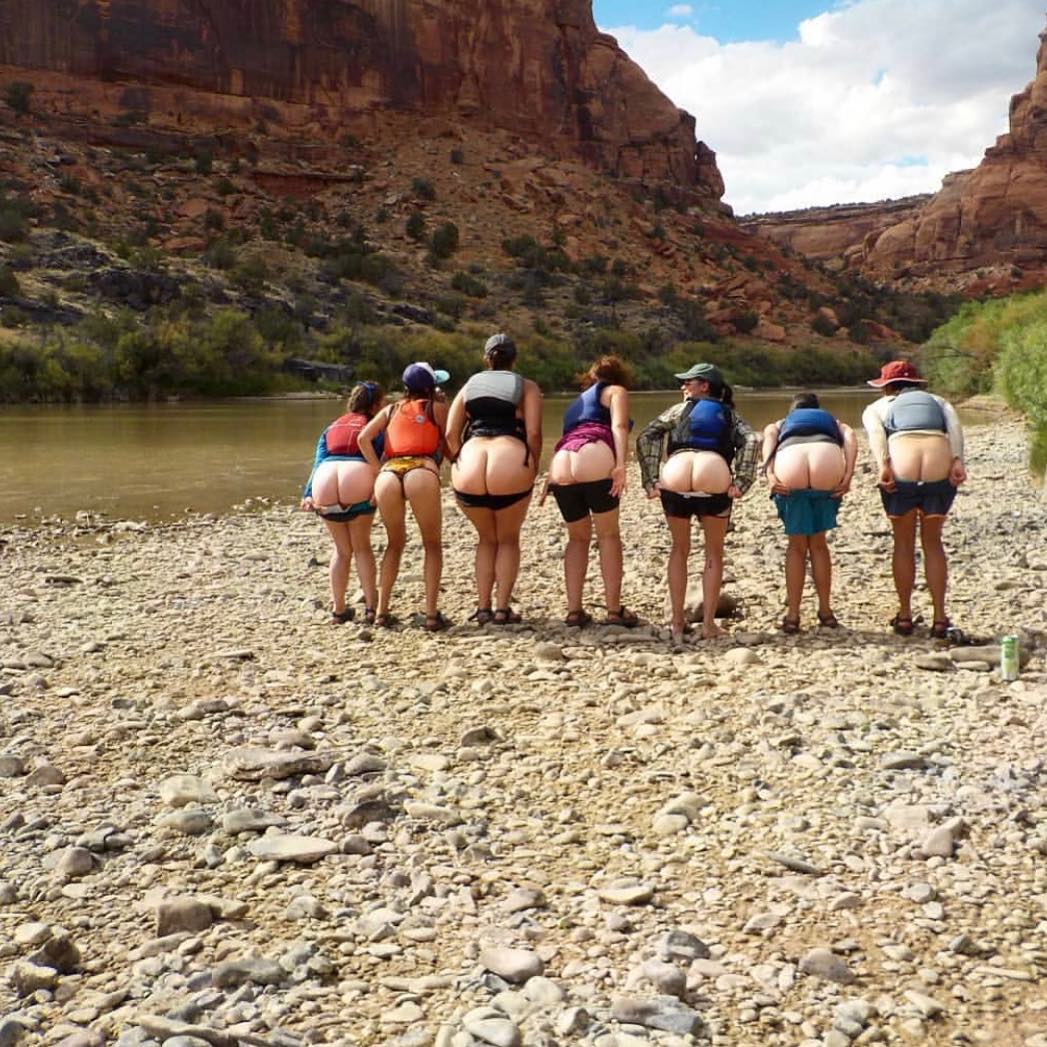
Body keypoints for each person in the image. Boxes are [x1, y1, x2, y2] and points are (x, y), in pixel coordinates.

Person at [637, 362, 760, 644]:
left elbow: (647, 435)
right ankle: (708, 625)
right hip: (713, 473)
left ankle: (677, 624)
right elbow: (752, 441)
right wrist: (742, 481)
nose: (683, 386)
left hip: (676, 475)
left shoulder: (679, 410)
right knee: (713, 553)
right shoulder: (730, 415)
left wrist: (651, 478)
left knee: (679, 549)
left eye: (688, 382)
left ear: (704, 386)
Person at [862, 360, 966, 638]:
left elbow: (876, 435)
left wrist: (883, 465)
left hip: (902, 465)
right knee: (933, 543)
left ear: (886, 386)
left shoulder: (876, 407)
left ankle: (905, 616)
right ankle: (940, 618)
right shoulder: (939, 401)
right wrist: (957, 460)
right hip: (938, 465)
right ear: (916, 383)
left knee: (903, 544)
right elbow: (955, 429)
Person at [446, 333, 542, 625]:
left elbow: (450, 434)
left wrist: (458, 460)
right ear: (514, 359)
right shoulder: (526, 386)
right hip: (509, 462)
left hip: (470, 464)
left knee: (486, 539)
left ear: (486, 358)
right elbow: (534, 433)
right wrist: (532, 464)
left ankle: (483, 607)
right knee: (508, 539)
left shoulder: (469, 386)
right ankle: (502, 609)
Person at [543, 355, 636, 627]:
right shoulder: (616, 391)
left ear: (591, 377)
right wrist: (620, 465)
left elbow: (565, 438)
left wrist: (549, 476)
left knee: (577, 538)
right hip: (594, 455)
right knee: (608, 536)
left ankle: (574, 611)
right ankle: (613, 611)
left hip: (562, 463)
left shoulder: (576, 403)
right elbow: (619, 426)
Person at [358, 362, 451, 632]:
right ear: (431, 387)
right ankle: (431, 615)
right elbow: (449, 441)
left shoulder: (390, 409)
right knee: (432, 544)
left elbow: (363, 438)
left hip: (389, 473)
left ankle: (381, 612)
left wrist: (378, 470)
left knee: (394, 544)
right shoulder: (436, 408)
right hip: (421, 469)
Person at [761, 392, 858, 633]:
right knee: (819, 545)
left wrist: (770, 474)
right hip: (827, 462)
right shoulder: (832, 421)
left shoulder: (782, 423)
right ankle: (825, 612)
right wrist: (848, 474)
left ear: (793, 410)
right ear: (817, 408)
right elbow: (850, 435)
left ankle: (793, 615)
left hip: (790, 463)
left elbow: (768, 437)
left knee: (796, 547)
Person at [300, 382, 386, 624]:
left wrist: (308, 493)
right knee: (362, 547)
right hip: (357, 481)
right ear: (375, 405)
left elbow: (318, 462)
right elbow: (382, 457)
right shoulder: (375, 426)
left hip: (324, 482)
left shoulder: (331, 427)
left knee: (341, 550)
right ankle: (371, 609)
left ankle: (338, 610)